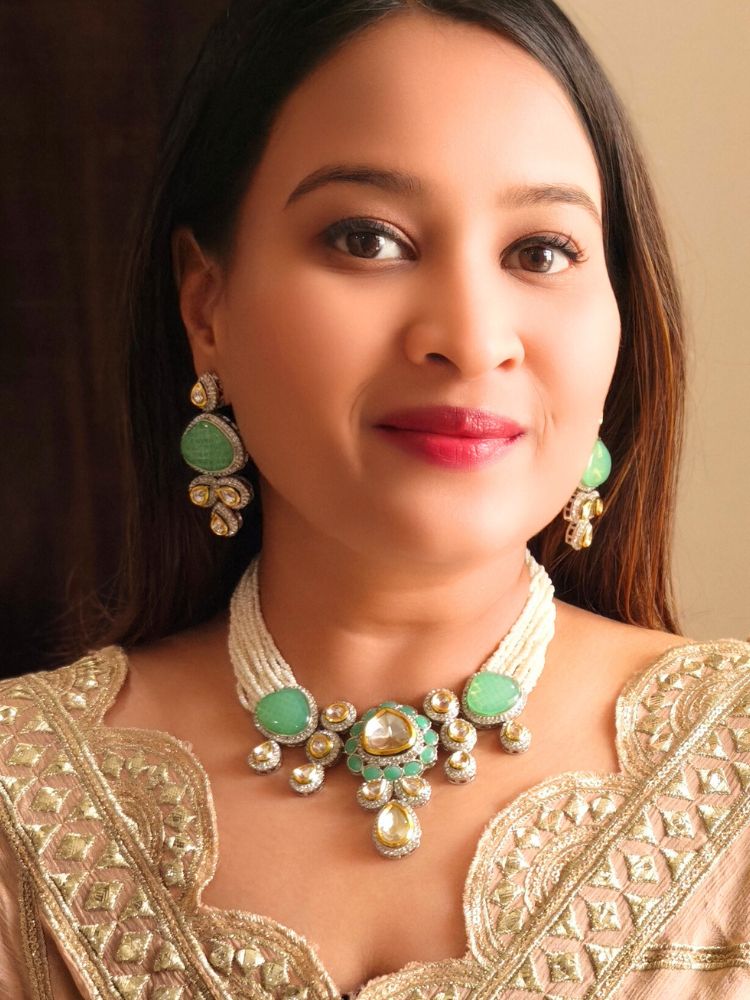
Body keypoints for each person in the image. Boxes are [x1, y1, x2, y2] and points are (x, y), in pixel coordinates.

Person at [1, 0, 748, 996]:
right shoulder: (18, 797)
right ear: (207, 306)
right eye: (368, 238)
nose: (471, 338)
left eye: (541, 251)